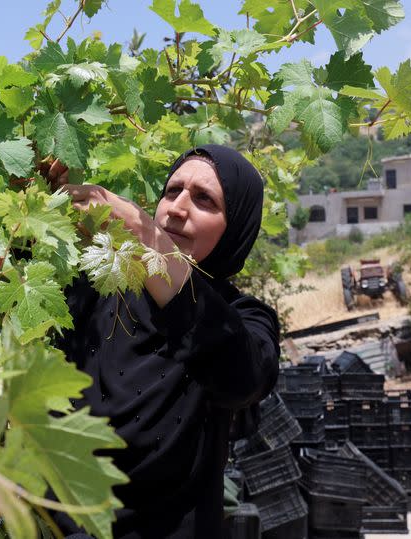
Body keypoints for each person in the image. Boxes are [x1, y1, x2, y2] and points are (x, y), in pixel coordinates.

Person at [49, 144, 280, 538]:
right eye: (172, 191)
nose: (177, 208)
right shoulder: (97, 289)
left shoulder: (243, 318)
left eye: (204, 199)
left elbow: (242, 377)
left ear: (236, 226)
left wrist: (146, 238)